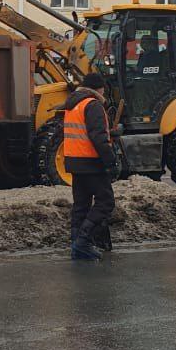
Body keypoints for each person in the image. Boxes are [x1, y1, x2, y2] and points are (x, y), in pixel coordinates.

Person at [63, 71, 119, 261]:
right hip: (91, 162)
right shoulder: (93, 104)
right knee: (106, 202)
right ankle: (83, 241)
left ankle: (76, 244)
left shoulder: (73, 104)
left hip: (75, 162)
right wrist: (111, 161)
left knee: (81, 205)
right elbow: (98, 137)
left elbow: (85, 133)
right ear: (99, 88)